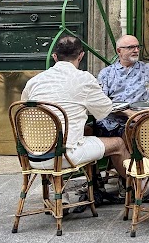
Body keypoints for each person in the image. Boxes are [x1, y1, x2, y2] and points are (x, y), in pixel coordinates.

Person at [20, 35, 131, 185]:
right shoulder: (84, 78)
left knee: (84, 131)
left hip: (32, 155)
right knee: (118, 144)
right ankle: (138, 187)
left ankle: (67, 190)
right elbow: (104, 111)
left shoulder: (34, 81)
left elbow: (23, 110)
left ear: (55, 56)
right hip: (65, 156)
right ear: (81, 56)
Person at [95, 34, 149, 138]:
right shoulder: (106, 73)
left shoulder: (148, 69)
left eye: (137, 47)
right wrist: (128, 113)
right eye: (131, 47)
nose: (136, 50)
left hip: (141, 121)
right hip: (112, 124)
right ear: (119, 51)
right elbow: (101, 102)